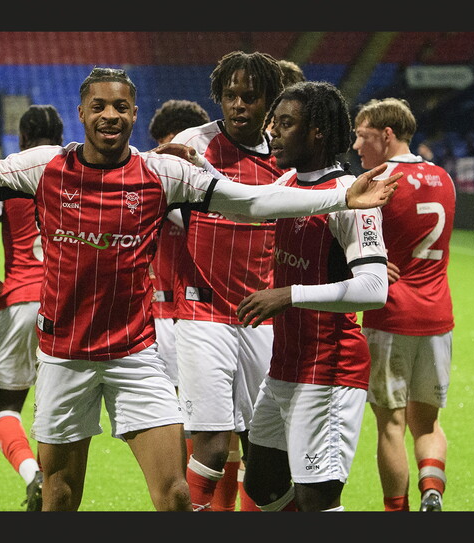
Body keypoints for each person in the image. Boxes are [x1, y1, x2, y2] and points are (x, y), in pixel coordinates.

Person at [0, 67, 399, 512]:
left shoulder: (162, 172)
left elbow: (251, 201)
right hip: (64, 357)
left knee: (176, 494)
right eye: (100, 106)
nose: (111, 115)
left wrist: (339, 196)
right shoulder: (44, 167)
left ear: (134, 114)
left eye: (122, 107)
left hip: (135, 357)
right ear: (82, 113)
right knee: (60, 496)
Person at [234, 81, 389, 513]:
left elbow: (375, 289)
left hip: (330, 368)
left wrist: (290, 295)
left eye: (286, 124)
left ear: (317, 131)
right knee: (263, 485)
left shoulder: (355, 198)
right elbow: (242, 204)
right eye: (274, 123)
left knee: (317, 500)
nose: (273, 132)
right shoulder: (288, 182)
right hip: (286, 365)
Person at [169, 50, 286, 512]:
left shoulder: (284, 156)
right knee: (213, 446)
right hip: (203, 311)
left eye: (250, 97)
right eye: (230, 95)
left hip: (261, 316)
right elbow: (157, 201)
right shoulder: (194, 145)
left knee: (265, 451)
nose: (238, 105)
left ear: (269, 102)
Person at [352, 97, 456, 512]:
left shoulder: (378, 182)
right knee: (427, 423)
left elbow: (355, 247)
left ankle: (398, 514)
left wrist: (374, 262)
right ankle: (432, 490)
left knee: (391, 424)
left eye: (362, 136)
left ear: (386, 134)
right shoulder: (444, 178)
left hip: (390, 316)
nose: (356, 146)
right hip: (438, 316)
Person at [0, 104, 64, 511]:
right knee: (53, 412)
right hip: (65, 305)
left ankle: (32, 475)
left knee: (5, 409)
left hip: (22, 299)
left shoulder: (6, 173)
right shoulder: (74, 172)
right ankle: (53, 493)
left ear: (22, 138)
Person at [146, 99, 212, 392]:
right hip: (160, 312)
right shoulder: (151, 180)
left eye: (168, 143)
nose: (162, 151)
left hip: (201, 314)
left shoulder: (210, 188)